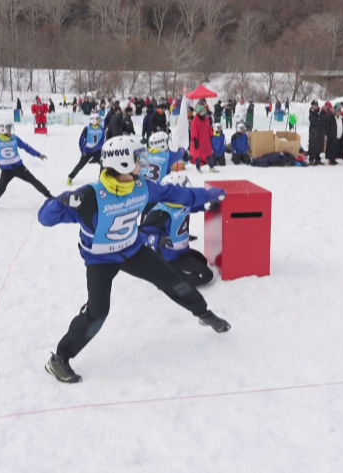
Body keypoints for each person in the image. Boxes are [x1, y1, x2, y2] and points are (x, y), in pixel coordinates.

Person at [38, 136, 230, 383]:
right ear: (123, 163)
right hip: (100, 260)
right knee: (98, 313)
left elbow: (176, 193)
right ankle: (59, 358)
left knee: (173, 281)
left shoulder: (142, 187)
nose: (142, 162)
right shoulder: (90, 197)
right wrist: (60, 201)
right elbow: (45, 218)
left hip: (132, 250)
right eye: (137, 158)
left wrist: (210, 194)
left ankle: (204, 313)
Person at [141, 173, 214, 287]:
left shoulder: (180, 205)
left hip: (182, 251)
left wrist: (205, 206)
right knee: (206, 275)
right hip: (169, 258)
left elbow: (193, 206)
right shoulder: (161, 213)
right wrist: (158, 240)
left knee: (203, 261)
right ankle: (166, 278)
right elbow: (141, 233)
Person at [0, 121, 53, 211]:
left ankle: (48, 195)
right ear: (2, 130)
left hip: (19, 167)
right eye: (8, 128)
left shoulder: (14, 138)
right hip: (6, 171)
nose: (10, 131)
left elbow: (26, 147)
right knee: (1, 188)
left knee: (34, 181)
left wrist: (39, 155)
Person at [68, 113, 105, 186]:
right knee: (80, 165)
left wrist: (98, 147)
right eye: (98, 119)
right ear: (93, 120)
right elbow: (81, 140)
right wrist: (83, 150)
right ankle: (70, 177)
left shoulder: (101, 128)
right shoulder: (87, 129)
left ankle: (102, 179)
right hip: (88, 151)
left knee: (103, 164)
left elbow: (102, 139)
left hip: (97, 151)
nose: (99, 121)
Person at [191, 105, 217, 173]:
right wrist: (195, 139)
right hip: (198, 140)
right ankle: (198, 168)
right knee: (198, 155)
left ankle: (211, 167)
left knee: (208, 154)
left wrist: (211, 135)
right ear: (198, 112)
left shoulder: (206, 119)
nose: (203, 112)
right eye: (201, 111)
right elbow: (193, 131)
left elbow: (208, 128)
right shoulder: (194, 121)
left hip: (206, 140)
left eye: (203, 111)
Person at [307, 100, 325, 165]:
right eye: (315, 105)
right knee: (313, 145)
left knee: (319, 145)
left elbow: (323, 119)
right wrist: (320, 119)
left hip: (320, 131)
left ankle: (317, 158)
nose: (316, 107)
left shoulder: (320, 112)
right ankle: (311, 159)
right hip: (314, 132)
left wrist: (321, 117)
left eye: (317, 105)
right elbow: (315, 121)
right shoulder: (312, 113)